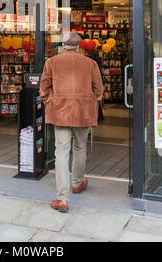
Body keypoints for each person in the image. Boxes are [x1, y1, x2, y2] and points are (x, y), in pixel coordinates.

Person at [40, 32, 103, 213]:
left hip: (60, 111)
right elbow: (98, 89)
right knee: (80, 147)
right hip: (83, 112)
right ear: (79, 46)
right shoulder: (90, 63)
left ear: (63, 45)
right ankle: (77, 183)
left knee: (61, 152)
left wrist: (50, 100)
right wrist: (92, 100)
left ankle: (62, 198)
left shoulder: (52, 62)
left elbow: (43, 88)